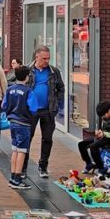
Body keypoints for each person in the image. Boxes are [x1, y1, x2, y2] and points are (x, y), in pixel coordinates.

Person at [24, 46, 65, 179]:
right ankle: (23, 166)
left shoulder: (54, 71)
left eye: (48, 58)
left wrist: (59, 104)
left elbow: (61, 87)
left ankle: (43, 166)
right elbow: (16, 83)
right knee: (27, 138)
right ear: (36, 57)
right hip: (31, 111)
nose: (47, 61)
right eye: (44, 58)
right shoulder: (27, 70)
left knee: (47, 139)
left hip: (48, 110)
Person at [3, 66, 40, 189]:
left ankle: (12, 176)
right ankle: (17, 179)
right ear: (26, 77)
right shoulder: (28, 91)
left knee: (15, 150)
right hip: (24, 124)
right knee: (22, 152)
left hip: (12, 122)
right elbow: (33, 108)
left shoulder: (10, 89)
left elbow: (4, 105)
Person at [78, 101, 110, 176]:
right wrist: (99, 132)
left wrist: (105, 134)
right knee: (81, 144)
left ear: (109, 111)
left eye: (104, 115)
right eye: (101, 116)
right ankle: (89, 164)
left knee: (93, 147)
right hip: (103, 137)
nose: (103, 117)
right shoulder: (105, 118)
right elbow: (103, 129)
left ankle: (101, 168)